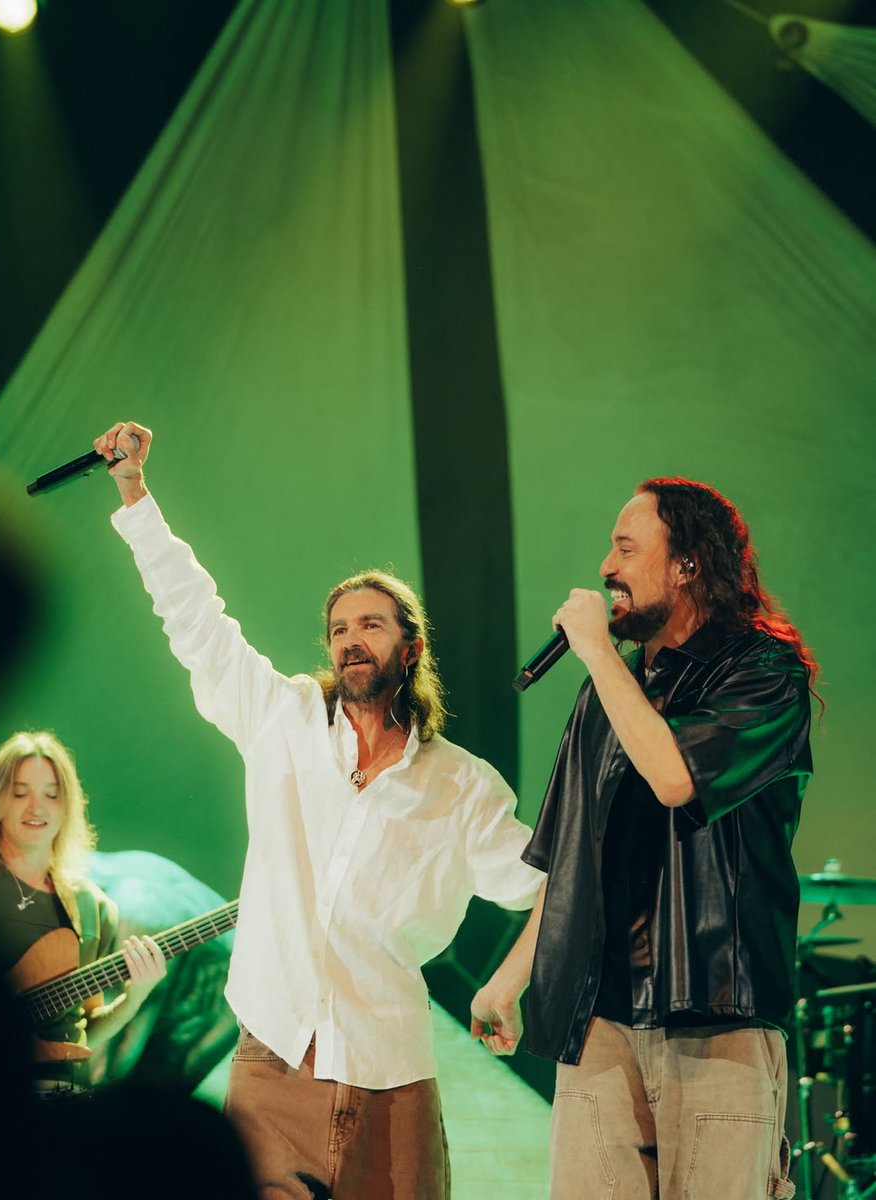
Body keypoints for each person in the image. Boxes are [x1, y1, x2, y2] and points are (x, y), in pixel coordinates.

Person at [94, 419, 543, 1200]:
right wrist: (136, 496)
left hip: (391, 1074)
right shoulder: (285, 721)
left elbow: (553, 885)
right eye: (339, 629)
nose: (349, 640)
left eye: (371, 623)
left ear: (412, 648)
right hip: (272, 1065)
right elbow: (200, 624)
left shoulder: (461, 784)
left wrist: (505, 985)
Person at [470, 477, 815, 1200]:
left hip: (717, 1014)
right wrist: (509, 980)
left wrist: (596, 654)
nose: (605, 567)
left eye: (626, 547)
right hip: (599, 1019)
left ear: (688, 563)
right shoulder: (607, 691)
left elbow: (675, 779)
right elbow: (569, 863)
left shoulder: (763, 672)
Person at [0, 730, 168, 1098]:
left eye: (52, 794)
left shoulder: (90, 906)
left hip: (64, 1100)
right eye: (20, 793)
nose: (37, 807)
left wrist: (136, 995)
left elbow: (83, 1027)